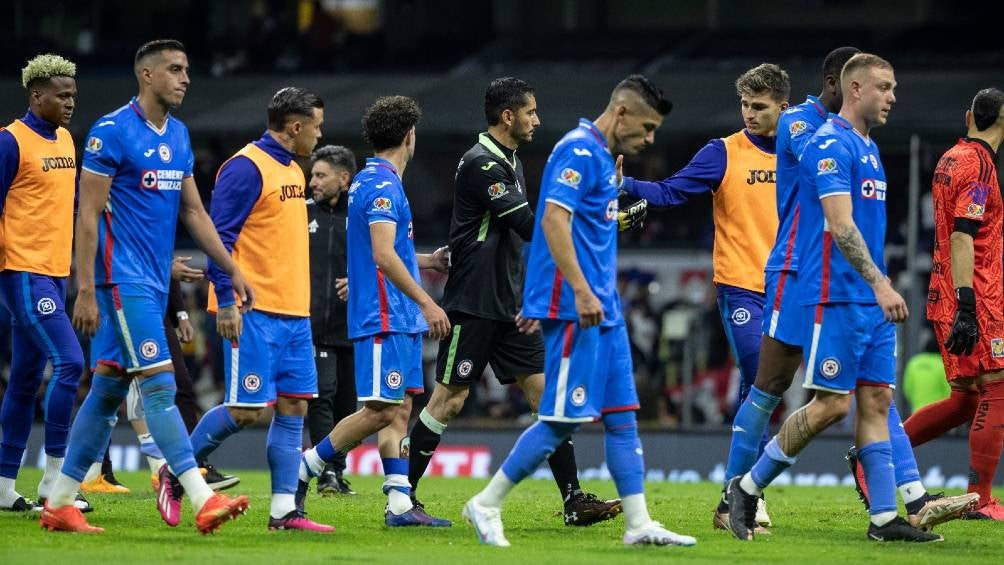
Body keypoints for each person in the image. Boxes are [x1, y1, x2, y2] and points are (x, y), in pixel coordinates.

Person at [462, 75, 693, 548]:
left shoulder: (604, 160)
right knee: (562, 419)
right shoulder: (578, 151)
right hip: (578, 310)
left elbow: (590, 231)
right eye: (647, 127)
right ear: (622, 113)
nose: (651, 139)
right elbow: (551, 221)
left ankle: (638, 523)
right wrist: (575, 294)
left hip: (604, 310)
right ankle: (486, 504)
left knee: (623, 416)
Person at [723, 53, 943, 543]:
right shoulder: (820, 137)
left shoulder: (869, 147)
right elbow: (839, 223)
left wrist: (880, 284)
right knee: (818, 400)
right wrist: (881, 283)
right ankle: (744, 487)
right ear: (854, 87)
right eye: (884, 87)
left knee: (878, 398)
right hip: (828, 288)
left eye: (893, 87)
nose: (892, 97)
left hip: (868, 295)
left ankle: (889, 516)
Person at [40, 39, 251, 535]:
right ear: (147, 75)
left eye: (187, 69)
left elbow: (195, 213)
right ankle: (199, 497)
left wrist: (231, 268)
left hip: (154, 284)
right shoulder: (109, 133)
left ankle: (61, 501)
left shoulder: (177, 135)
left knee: (108, 390)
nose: (185, 78)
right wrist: (85, 289)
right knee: (159, 385)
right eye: (175, 69)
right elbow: (87, 215)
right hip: (121, 281)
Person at [405, 77, 631, 526]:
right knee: (448, 400)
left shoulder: (511, 162)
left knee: (547, 398)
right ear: (508, 116)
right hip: (474, 301)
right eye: (531, 111)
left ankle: (573, 502)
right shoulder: (481, 164)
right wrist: (604, 212)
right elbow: (533, 225)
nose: (537, 120)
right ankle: (402, 496)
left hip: (508, 303)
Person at [620, 63, 790, 528]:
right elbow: (672, 193)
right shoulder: (723, 152)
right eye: (745, 105)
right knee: (760, 375)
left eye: (759, 107)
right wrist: (623, 185)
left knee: (764, 388)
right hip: (740, 286)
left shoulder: (801, 152)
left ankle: (742, 491)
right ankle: (739, 495)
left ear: (783, 107)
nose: (750, 114)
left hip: (788, 289)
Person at [183, 87, 333, 532]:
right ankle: (176, 472)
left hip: (294, 313)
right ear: (295, 126)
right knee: (246, 410)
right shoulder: (245, 167)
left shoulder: (291, 168)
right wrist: (226, 301)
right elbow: (217, 238)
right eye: (317, 126)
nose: (320, 136)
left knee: (294, 407)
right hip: (252, 311)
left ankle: (284, 511)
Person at [297, 95, 452, 527]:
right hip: (386, 315)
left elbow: (389, 250)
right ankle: (304, 467)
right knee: (381, 410)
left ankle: (400, 502)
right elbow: (383, 256)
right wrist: (427, 301)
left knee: (401, 408)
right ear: (409, 136)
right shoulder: (383, 186)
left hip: (396, 316)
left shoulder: (370, 180)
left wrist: (427, 262)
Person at [903, 87, 1004, 520]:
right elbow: (964, 233)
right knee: (999, 386)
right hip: (976, 294)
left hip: (944, 290)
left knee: (965, 399)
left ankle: (877, 452)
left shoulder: (950, 156)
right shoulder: (980, 166)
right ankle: (981, 500)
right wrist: (968, 304)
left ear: (968, 118)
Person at [0, 54, 84, 513]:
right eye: (62, 95)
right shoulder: (10, 142)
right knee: (71, 363)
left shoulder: (67, 140)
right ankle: (56, 483)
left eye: (73, 95)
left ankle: (2, 486)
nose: (70, 103)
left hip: (54, 273)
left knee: (26, 379)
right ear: (37, 96)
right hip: (23, 272)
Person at [305, 144, 358, 496]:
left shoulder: (364, 215)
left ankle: (336, 470)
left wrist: (359, 280)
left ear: (344, 178)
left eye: (320, 175)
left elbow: (388, 259)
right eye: (312, 174)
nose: (312, 182)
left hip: (355, 327)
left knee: (347, 402)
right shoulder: (299, 212)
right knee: (323, 396)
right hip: (315, 327)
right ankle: (326, 472)